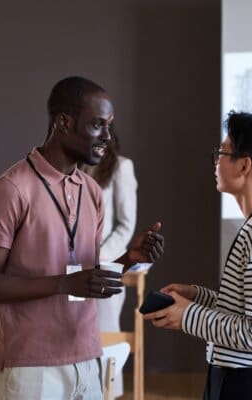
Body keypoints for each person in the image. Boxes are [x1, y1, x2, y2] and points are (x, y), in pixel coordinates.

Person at [0, 76, 164, 400]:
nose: (107, 137)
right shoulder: (11, 189)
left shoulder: (91, 192)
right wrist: (62, 284)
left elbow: (82, 281)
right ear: (63, 122)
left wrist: (129, 259)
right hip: (29, 367)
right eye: (98, 125)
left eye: (110, 126)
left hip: (87, 358)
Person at [143, 111, 252, 400]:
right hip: (242, 380)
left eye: (222, 152)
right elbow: (250, 313)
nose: (216, 160)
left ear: (245, 165)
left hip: (251, 386)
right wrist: (199, 296)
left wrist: (188, 315)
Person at [81, 129, 138, 398]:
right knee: (75, 336)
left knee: (105, 335)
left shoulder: (121, 167)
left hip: (106, 264)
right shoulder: (77, 164)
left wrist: (102, 256)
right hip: (74, 264)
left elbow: (126, 224)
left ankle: (108, 394)